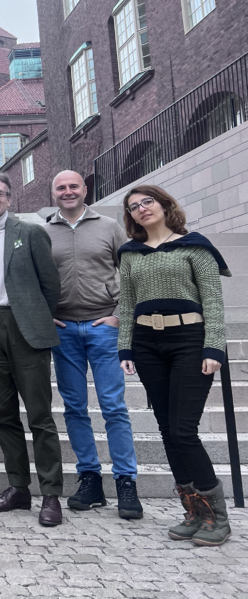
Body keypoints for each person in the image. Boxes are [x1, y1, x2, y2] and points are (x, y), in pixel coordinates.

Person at [118, 185, 231, 546]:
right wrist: (126, 349)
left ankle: (217, 516)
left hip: (190, 342)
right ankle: (193, 511)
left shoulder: (194, 246)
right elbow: (127, 304)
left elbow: (212, 299)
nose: (141, 209)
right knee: (167, 429)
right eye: (134, 207)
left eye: (147, 201)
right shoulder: (130, 254)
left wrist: (214, 346)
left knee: (184, 430)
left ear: (165, 204)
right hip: (148, 344)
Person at [0, 170, 64, 527]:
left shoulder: (31, 233)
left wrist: (36, 318)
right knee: (3, 414)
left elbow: (51, 285)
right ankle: (18, 487)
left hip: (27, 330)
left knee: (40, 416)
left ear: (9, 198)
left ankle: (51, 493)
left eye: (0, 193)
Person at [46, 171, 141, 519]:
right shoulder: (44, 232)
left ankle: (126, 482)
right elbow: (34, 279)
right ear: (53, 193)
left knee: (113, 406)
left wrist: (119, 314)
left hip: (104, 326)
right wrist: (45, 315)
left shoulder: (109, 227)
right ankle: (89, 478)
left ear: (85, 190)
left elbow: (131, 273)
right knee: (74, 408)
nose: (68, 191)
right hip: (64, 329)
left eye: (74, 186)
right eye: (61, 187)